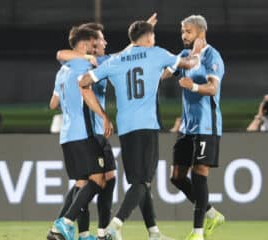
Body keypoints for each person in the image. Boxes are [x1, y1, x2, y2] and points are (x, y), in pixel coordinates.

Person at [78, 20, 202, 240]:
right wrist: (198, 53)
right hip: (146, 126)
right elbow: (188, 64)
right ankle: (115, 226)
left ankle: (153, 233)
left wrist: (102, 114)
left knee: (139, 182)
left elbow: (85, 81)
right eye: (153, 36)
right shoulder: (155, 53)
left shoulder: (116, 59)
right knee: (143, 182)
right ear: (148, 38)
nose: (154, 40)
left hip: (125, 129)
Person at [52, 22, 117, 240]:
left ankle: (82, 234)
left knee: (82, 184)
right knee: (98, 180)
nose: (97, 45)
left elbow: (53, 103)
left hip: (68, 133)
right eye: (94, 41)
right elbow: (85, 91)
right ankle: (65, 223)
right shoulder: (81, 65)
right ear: (84, 45)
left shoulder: (63, 71)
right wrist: (103, 115)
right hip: (85, 132)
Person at [164, 15, 225, 240]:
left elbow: (212, 88)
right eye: (182, 31)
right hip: (187, 127)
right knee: (177, 177)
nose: (183, 36)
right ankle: (211, 213)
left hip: (207, 125)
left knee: (199, 174)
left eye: (187, 32)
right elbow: (164, 74)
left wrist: (194, 86)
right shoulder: (184, 56)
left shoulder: (212, 56)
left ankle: (197, 232)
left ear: (201, 32)